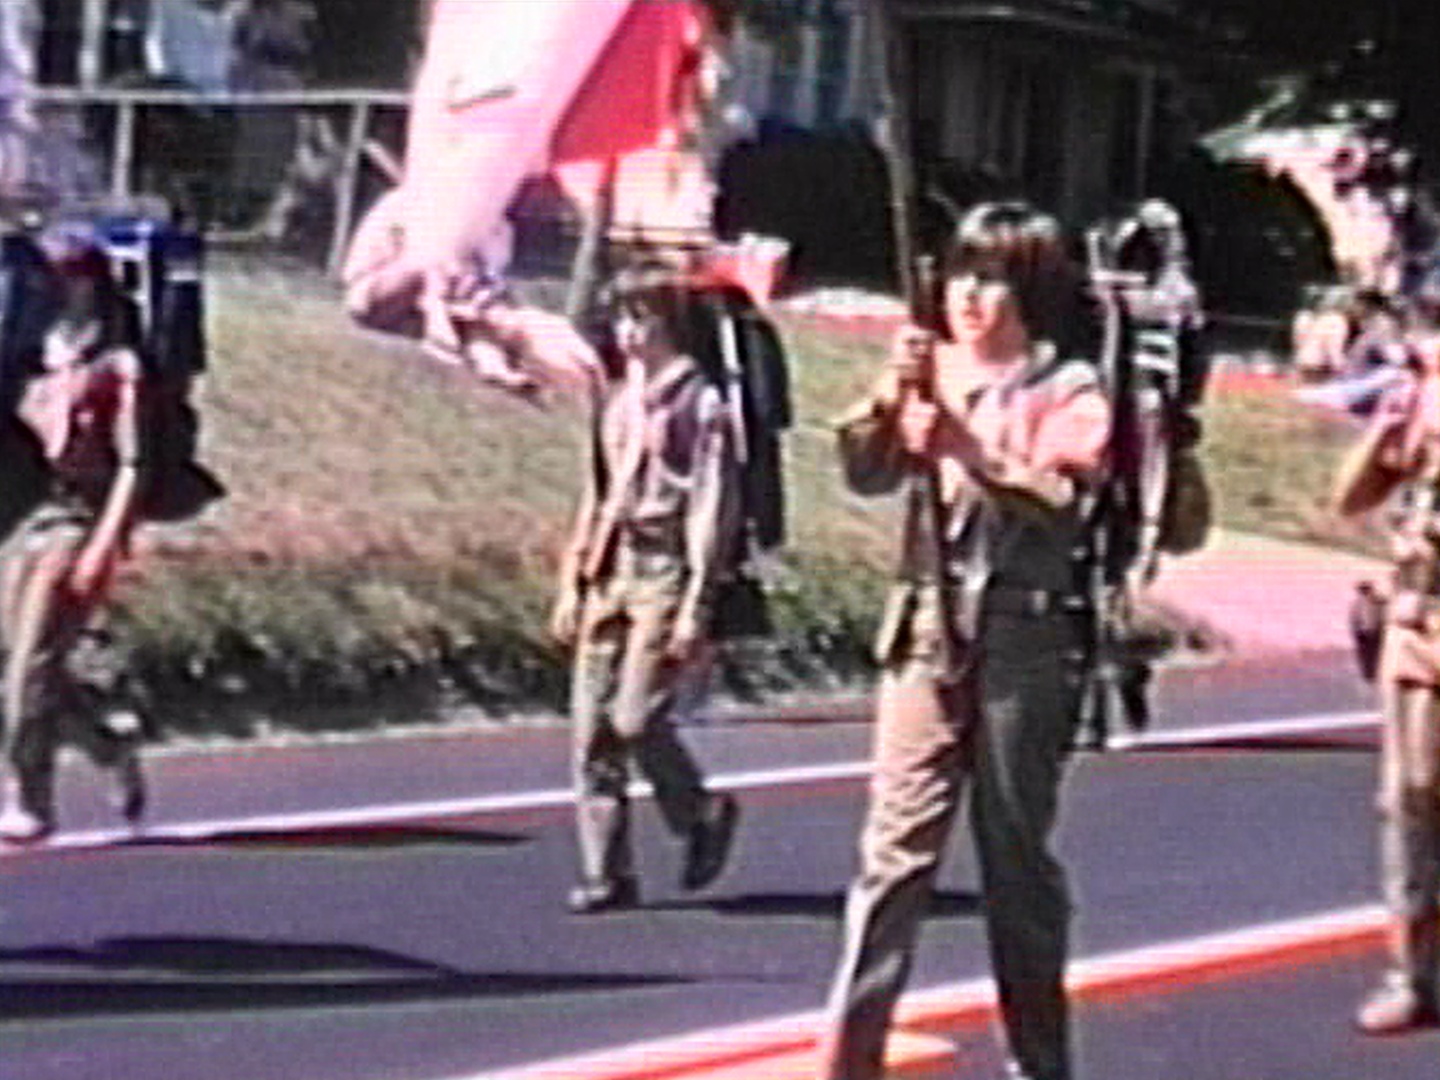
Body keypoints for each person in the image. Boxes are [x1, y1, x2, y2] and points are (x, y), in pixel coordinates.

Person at [818, 202, 1111, 1080]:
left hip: (1024, 638)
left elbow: (1064, 502)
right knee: (892, 860)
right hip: (926, 635)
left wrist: (967, 445)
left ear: (1032, 293)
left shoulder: (1069, 389)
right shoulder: (929, 371)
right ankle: (849, 1063)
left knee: (1015, 863)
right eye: (961, 275)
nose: (970, 297)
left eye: (993, 279)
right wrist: (888, 398)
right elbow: (866, 470)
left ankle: (1039, 1060)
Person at [550, 262, 741, 914]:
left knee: (637, 717)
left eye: (645, 320)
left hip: (664, 569)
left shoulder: (700, 403)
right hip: (612, 567)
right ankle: (607, 869)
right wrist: (575, 579)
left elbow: (711, 506)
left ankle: (700, 812)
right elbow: (597, 491)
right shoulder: (616, 398)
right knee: (591, 728)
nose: (631, 334)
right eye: (624, 319)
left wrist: (698, 602)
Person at [0, 237, 147, 842]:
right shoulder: (28, 359)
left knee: (30, 664)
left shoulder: (119, 366)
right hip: (22, 519)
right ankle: (108, 745)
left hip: (76, 521)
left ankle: (29, 795)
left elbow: (134, 466)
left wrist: (103, 545)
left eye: (68, 276)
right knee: (21, 667)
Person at [1333, 291, 1440, 1034]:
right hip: (1419, 623)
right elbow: (1350, 498)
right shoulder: (1423, 402)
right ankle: (1413, 972)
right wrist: (1391, 426)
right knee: (1410, 798)